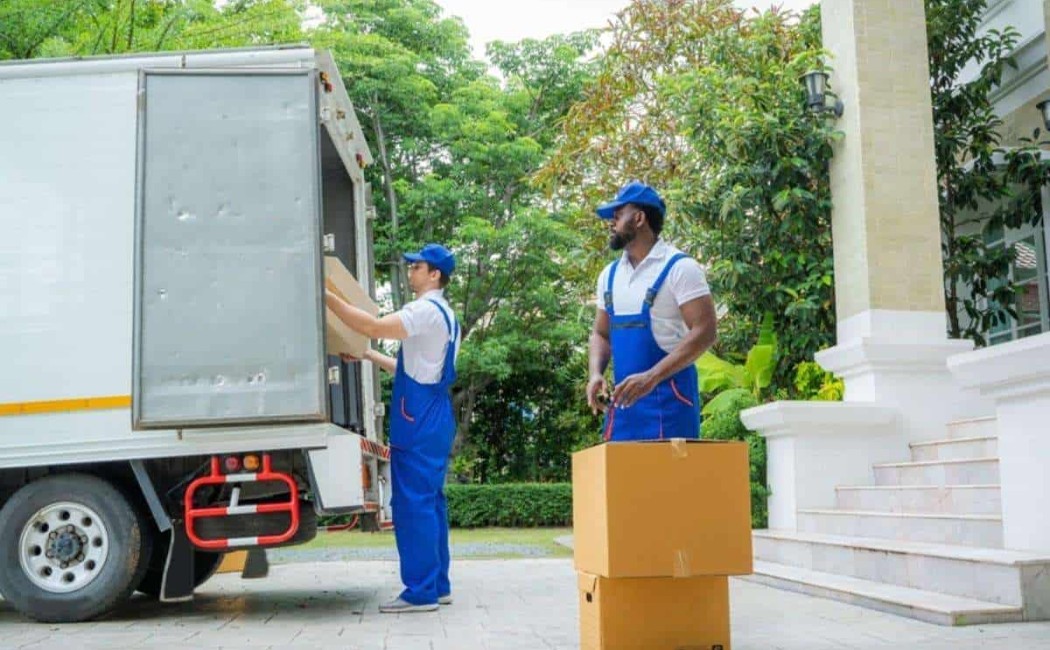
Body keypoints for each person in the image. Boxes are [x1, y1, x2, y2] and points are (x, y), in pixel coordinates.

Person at [325, 243, 460, 613]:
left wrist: (323, 294)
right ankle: (438, 584)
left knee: (411, 505)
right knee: (430, 503)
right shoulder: (445, 314)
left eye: (417, 266)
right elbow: (409, 368)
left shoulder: (424, 310)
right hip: (433, 415)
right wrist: (366, 354)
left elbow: (370, 325)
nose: (410, 271)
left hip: (417, 420)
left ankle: (420, 593)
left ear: (435, 274)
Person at [585, 180, 717, 441]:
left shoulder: (680, 268)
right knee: (622, 482)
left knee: (669, 482)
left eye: (618, 215)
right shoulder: (609, 276)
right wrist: (595, 374)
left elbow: (706, 332)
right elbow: (601, 334)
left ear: (639, 218)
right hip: (623, 409)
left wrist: (652, 377)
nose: (611, 223)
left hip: (671, 405)